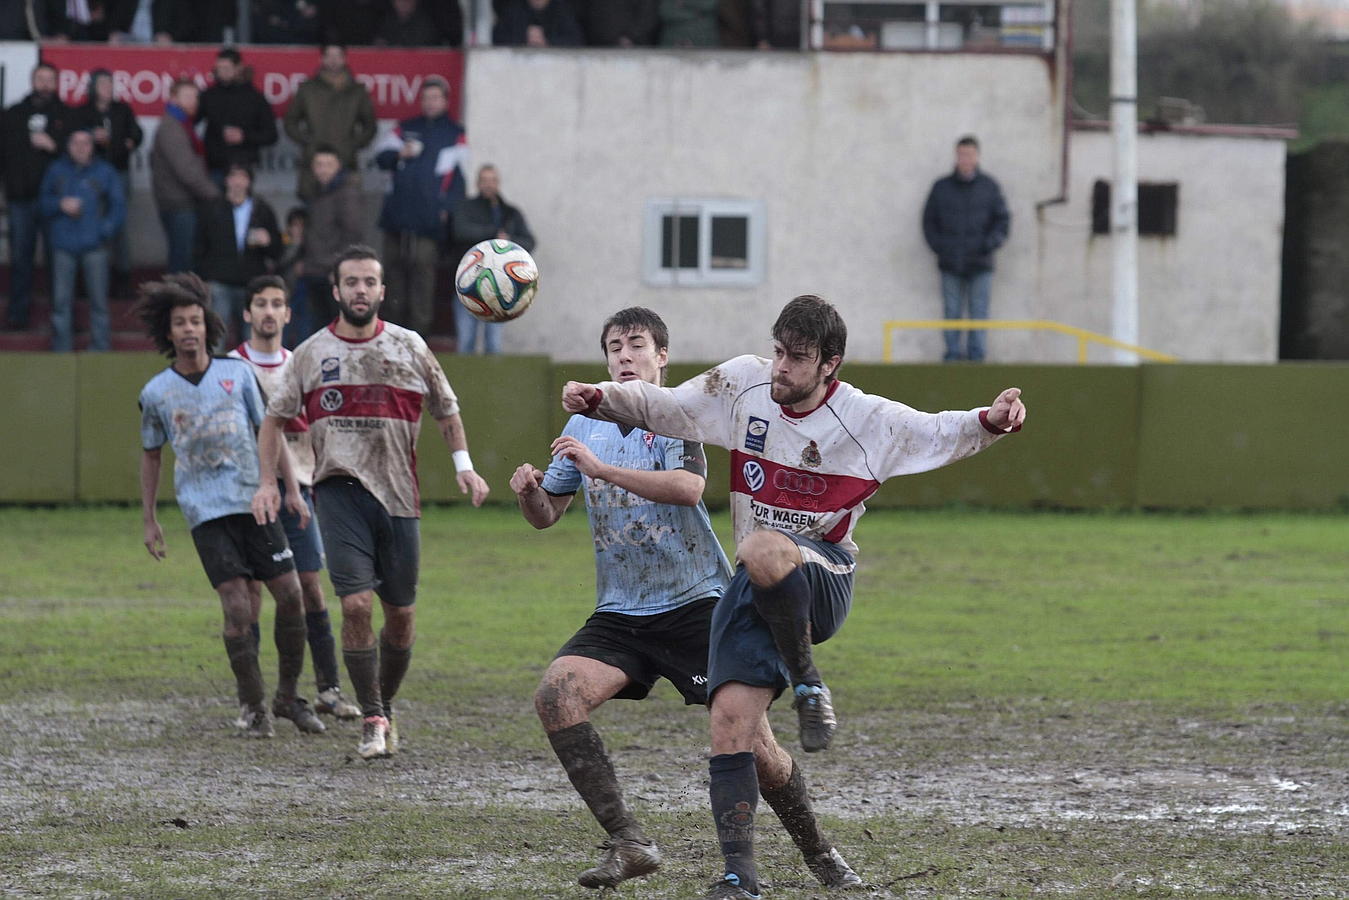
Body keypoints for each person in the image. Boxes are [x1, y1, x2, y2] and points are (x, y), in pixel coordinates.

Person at [562, 294, 1026, 898]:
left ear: (830, 363)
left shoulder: (866, 419)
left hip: (822, 576)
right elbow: (669, 406)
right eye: (778, 351)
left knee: (760, 547)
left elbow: (936, 431)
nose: (780, 367)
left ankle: (809, 683)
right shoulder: (742, 383)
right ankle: (742, 877)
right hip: (752, 590)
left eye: (796, 359)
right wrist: (602, 397)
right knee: (732, 727)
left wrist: (991, 419)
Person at [514, 306, 860, 892]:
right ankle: (628, 841)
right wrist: (529, 493)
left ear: (662, 357)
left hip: (699, 606)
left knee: (757, 749)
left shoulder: (679, 418)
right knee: (556, 697)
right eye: (614, 347)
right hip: (621, 612)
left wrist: (603, 469)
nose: (625, 356)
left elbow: (688, 488)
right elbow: (547, 515)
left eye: (637, 344)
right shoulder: (586, 429)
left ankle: (821, 854)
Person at [252, 244, 491, 760]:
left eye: (369, 282)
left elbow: (446, 411)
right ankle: (373, 718)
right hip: (338, 493)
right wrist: (268, 483)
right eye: (351, 282)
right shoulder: (312, 353)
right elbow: (274, 419)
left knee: (400, 618)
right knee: (356, 605)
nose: (360, 290)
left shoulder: (410, 346)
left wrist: (464, 466)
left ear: (382, 291)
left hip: (399, 498)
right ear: (336, 291)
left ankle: (383, 703)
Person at [136, 272, 327, 738]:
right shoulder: (156, 392)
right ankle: (252, 706)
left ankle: (287, 697)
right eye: (180, 323)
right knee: (238, 609)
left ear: (207, 326)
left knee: (292, 595)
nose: (189, 330)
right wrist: (150, 519)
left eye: (195, 321)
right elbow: (151, 454)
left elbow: (271, 430)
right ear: (169, 332)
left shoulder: (236, 373)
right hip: (207, 513)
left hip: (255, 500)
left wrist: (290, 489)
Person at [229, 275, 362, 721]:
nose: (269, 312)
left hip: (298, 492)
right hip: (245, 496)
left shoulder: (301, 365)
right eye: (260, 303)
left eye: (277, 304)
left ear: (288, 314)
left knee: (309, 589)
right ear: (247, 313)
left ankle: (327, 689)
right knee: (248, 594)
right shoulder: (231, 367)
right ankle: (253, 699)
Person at [374, 77, 467, 337]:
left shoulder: (455, 133)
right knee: (392, 281)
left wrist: (445, 210)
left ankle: (419, 340)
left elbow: (459, 179)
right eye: (426, 98)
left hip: (429, 223)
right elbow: (380, 158)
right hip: (396, 218)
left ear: (446, 101)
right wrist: (399, 154)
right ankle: (390, 337)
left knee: (422, 282)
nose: (430, 103)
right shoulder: (404, 128)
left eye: (435, 98)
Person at [922, 135, 1010, 363]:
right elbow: (929, 222)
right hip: (950, 263)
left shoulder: (989, 187)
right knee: (952, 312)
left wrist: (987, 246)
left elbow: (1002, 221)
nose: (965, 159)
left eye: (969, 154)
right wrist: (941, 248)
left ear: (977, 156)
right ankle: (952, 356)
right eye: (962, 154)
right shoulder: (941, 188)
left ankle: (976, 357)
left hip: (981, 264)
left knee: (978, 313)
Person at [39, 128, 125, 352]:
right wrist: (60, 204)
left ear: (92, 146)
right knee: (60, 303)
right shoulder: (56, 170)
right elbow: (42, 203)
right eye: (76, 143)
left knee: (98, 303)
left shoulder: (105, 172)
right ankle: (62, 350)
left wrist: (103, 230)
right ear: (68, 146)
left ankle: (100, 348)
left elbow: (118, 206)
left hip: (94, 246)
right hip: (63, 245)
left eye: (85, 143)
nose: (80, 147)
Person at [1, 62, 71, 331]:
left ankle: (61, 317)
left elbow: (79, 154)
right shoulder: (13, 114)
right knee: (20, 259)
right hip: (21, 198)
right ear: (32, 81)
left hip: (56, 202)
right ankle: (18, 314)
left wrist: (54, 146)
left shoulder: (65, 114)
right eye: (40, 78)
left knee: (59, 260)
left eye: (49, 79)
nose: (45, 83)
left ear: (56, 83)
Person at [194, 163, 283, 348]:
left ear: (249, 181)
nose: (237, 182)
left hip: (251, 284)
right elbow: (198, 246)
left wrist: (268, 241)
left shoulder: (261, 209)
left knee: (251, 339)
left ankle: (249, 375)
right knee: (216, 338)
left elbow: (277, 251)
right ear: (226, 180)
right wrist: (206, 277)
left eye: (242, 176)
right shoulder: (212, 209)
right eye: (233, 176)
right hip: (220, 283)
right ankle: (213, 375)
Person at [450, 164, 534, 355]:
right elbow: (460, 232)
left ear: (498, 183)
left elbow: (529, 241)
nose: (489, 185)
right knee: (466, 343)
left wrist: (509, 243)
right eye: (484, 180)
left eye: (492, 180)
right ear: (478, 183)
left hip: (499, 288)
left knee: (493, 344)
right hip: (468, 284)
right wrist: (494, 238)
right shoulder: (466, 208)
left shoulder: (510, 212)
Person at [75, 68, 142, 298]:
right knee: (91, 223)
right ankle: (88, 279)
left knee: (118, 226)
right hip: (91, 175)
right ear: (93, 87)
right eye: (103, 84)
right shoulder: (83, 112)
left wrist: (128, 141)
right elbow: (75, 141)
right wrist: (91, 138)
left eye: (110, 84)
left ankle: (122, 279)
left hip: (118, 172)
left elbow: (137, 133)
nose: (108, 88)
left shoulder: (122, 110)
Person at [283, 44, 377, 201]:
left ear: (344, 59)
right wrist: (308, 141)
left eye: (338, 56)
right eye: (329, 56)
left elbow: (370, 125)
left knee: (348, 217)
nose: (333, 60)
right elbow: (290, 121)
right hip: (313, 164)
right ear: (322, 59)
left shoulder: (357, 90)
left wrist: (351, 144)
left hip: (346, 163)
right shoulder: (307, 88)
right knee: (312, 218)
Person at [151, 78, 220, 275]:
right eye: (188, 96)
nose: (194, 102)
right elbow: (187, 170)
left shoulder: (181, 124)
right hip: (179, 203)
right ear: (173, 99)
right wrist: (214, 194)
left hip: (180, 201)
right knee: (182, 262)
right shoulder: (172, 127)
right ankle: (177, 304)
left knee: (182, 258)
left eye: (196, 97)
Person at [299, 146, 365, 332]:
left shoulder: (347, 193)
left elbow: (352, 234)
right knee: (317, 328)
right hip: (314, 269)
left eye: (328, 164)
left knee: (336, 327)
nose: (323, 169)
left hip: (332, 273)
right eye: (319, 164)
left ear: (338, 166)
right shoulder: (315, 192)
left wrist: (339, 268)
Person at [199, 48, 279, 186]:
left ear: (239, 68)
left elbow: (271, 135)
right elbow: (191, 120)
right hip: (214, 166)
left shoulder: (255, 98)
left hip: (243, 167)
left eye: (226, 68)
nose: (221, 73)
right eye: (219, 68)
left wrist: (244, 137)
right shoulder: (209, 95)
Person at [493, 0, 584, 46]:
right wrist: (523, 41)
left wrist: (547, 42)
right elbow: (498, 39)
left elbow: (576, 41)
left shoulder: (563, 11)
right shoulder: (513, 10)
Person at [576, 0, 657, 45]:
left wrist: (631, 37)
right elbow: (581, 12)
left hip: (632, 47)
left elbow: (648, 16)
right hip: (593, 45)